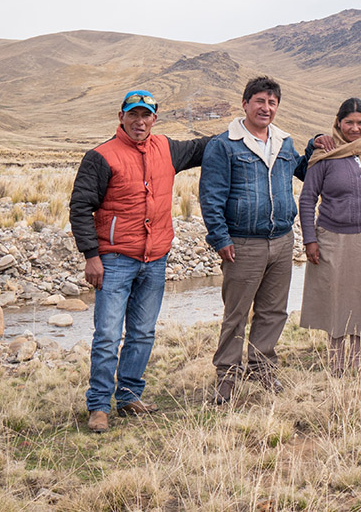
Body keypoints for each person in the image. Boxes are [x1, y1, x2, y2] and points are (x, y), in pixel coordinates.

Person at [70, 90, 210, 433]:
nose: (140, 121)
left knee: (142, 333)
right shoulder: (101, 157)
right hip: (115, 260)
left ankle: (130, 396)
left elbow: (205, 146)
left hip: (155, 258)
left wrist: (246, 126)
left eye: (146, 115)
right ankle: (99, 406)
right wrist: (92, 256)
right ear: (121, 117)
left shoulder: (167, 149)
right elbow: (80, 207)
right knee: (107, 334)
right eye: (133, 114)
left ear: (154, 119)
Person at [199, 76, 310, 404]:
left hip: (282, 239)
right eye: (259, 101)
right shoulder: (224, 145)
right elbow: (211, 195)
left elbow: (304, 170)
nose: (266, 108)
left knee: (273, 311)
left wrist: (318, 146)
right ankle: (227, 377)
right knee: (236, 312)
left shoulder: (285, 142)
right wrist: (219, 238)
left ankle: (263, 369)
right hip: (242, 243)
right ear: (245, 103)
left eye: (272, 102)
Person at [299, 98, 361, 375]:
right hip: (334, 238)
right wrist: (310, 239)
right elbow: (307, 199)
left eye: (360, 123)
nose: (354, 128)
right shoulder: (325, 152)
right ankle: (338, 362)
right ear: (338, 122)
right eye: (349, 122)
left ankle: (359, 359)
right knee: (337, 299)